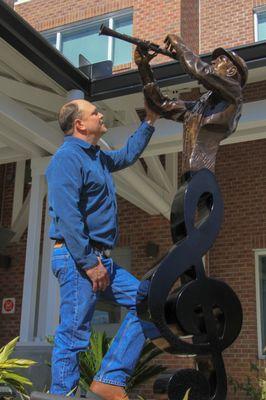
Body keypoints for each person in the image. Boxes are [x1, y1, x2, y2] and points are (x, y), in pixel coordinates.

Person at [45, 95, 158, 399]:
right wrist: (89, 262)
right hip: (77, 258)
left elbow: (128, 155)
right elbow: (68, 217)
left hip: (99, 259)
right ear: (79, 124)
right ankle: (62, 394)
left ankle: (110, 378)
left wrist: (149, 120)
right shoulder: (67, 159)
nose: (101, 115)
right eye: (95, 112)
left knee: (150, 304)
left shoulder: (97, 157)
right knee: (73, 333)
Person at [135, 35, 248, 175]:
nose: (213, 61)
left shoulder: (235, 93)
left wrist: (180, 46)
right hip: (189, 176)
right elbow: (161, 105)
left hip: (203, 175)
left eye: (220, 60)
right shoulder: (201, 107)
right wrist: (143, 67)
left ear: (231, 71)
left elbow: (202, 72)